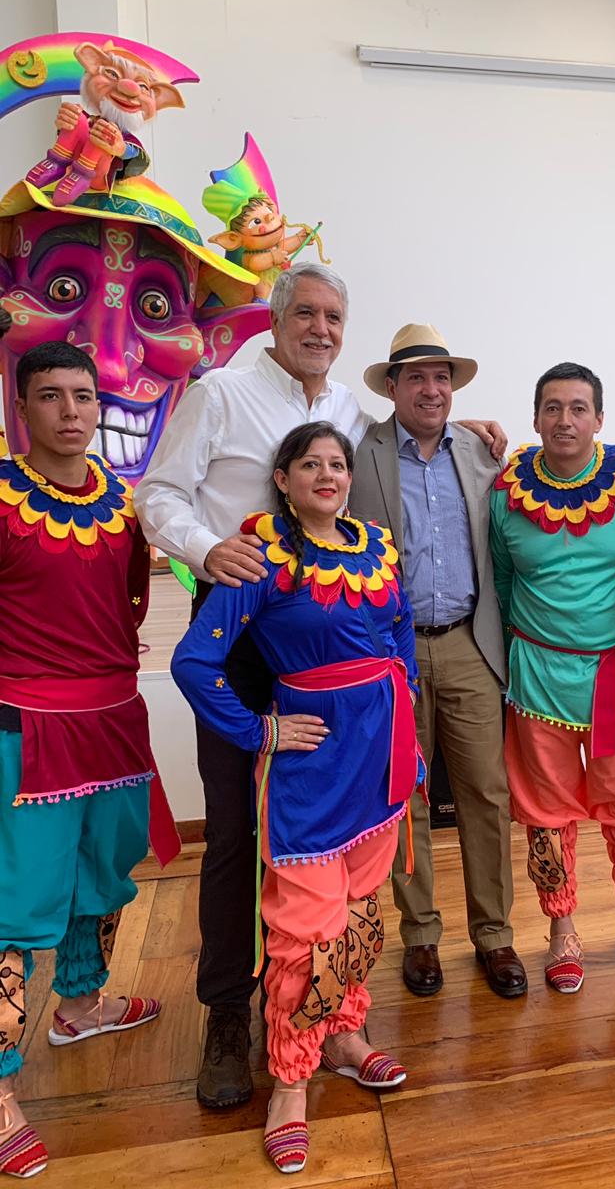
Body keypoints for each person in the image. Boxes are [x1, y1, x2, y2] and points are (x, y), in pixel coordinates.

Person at [135, 261, 504, 1106]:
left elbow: (404, 440)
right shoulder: (221, 393)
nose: (321, 329)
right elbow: (156, 494)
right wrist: (206, 549)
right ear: (275, 319)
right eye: (305, 313)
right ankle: (230, 1014)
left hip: (331, 646)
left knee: (345, 838)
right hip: (240, 627)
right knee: (236, 831)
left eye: (335, 317)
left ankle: (332, 1016)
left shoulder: (346, 412)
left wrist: (469, 425)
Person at [172, 421, 420, 1175]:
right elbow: (195, 660)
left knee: (361, 909)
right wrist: (259, 732)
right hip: (310, 765)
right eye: (308, 463)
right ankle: (288, 1081)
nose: (326, 474)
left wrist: (403, 708)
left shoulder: (375, 546)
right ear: (281, 480)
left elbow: (399, 627)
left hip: (379, 752)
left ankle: (345, 1036)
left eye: (337, 464)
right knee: (304, 929)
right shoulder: (262, 554)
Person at [0, 341, 177, 1180]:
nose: (72, 411)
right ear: (21, 407)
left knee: (102, 876)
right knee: (13, 910)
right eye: (51, 397)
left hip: (113, 720)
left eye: (83, 396)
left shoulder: (121, 499)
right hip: (25, 728)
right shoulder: (0, 499)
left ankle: (79, 1004)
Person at [350, 325, 525, 999]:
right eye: (417, 378)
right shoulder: (358, 450)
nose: (432, 389)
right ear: (391, 389)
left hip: (468, 643)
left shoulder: (483, 453)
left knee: (486, 792)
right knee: (406, 794)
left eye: (442, 378)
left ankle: (495, 935)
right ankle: (420, 934)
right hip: (390, 653)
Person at [490, 362, 615, 994]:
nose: (565, 420)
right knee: (547, 812)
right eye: (552, 408)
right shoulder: (505, 491)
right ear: (535, 418)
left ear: (599, 418)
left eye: (578, 408)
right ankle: (561, 931)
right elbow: (503, 583)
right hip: (537, 673)